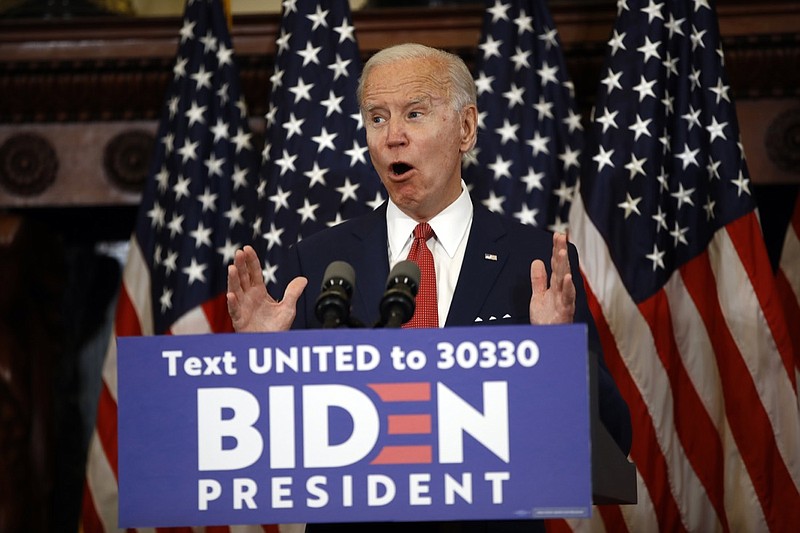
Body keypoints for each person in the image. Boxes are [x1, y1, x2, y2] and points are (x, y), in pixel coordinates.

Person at [227, 43, 631, 533]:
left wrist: (558, 355)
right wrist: (258, 364)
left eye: (414, 114)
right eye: (377, 118)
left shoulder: (535, 263)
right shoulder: (316, 263)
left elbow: (613, 435)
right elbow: (268, 455)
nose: (393, 136)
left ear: (465, 128)